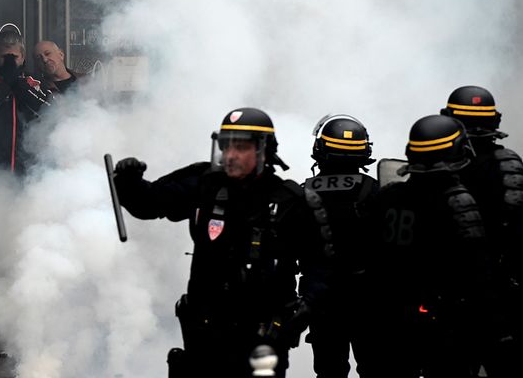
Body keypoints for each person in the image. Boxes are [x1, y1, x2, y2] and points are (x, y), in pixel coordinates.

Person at [113, 107, 331, 378]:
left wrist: (305, 307)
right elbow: (150, 203)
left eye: (240, 148)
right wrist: (128, 181)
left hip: (264, 338)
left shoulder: (290, 201)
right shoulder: (207, 184)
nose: (231, 156)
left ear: (263, 150)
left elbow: (319, 263)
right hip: (206, 334)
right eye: (226, 146)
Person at [371, 115, 491, 378]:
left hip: (392, 316)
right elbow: (477, 270)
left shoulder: (388, 196)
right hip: (443, 320)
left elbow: (372, 255)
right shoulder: (457, 201)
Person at [440, 86, 522, 377]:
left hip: (452, 287)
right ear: (495, 121)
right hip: (502, 286)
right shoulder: (509, 164)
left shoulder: (439, 167)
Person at [302, 115, 378, 378]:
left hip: (321, 302)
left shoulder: (301, 195)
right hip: (369, 300)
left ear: (320, 150)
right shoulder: (377, 192)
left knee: (329, 371)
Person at [0, 29, 54, 173]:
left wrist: (18, 83)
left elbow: (49, 113)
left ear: (23, 57)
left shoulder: (34, 81)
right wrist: (5, 84)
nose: (10, 61)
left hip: (28, 169)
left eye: (14, 56)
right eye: (4, 56)